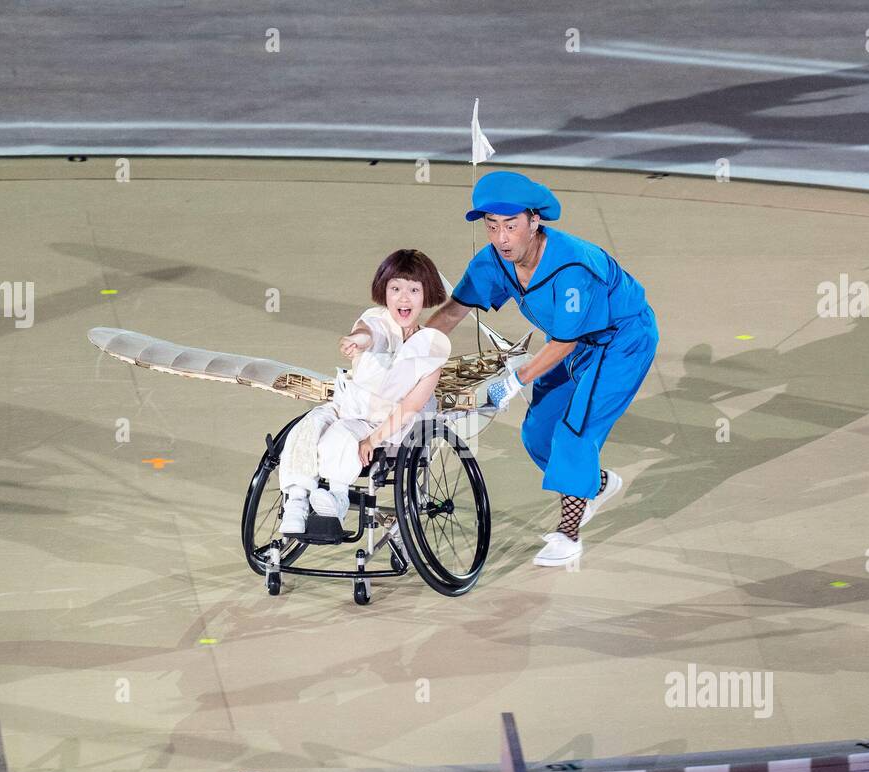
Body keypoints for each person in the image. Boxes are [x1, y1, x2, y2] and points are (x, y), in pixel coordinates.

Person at [424, 170, 659, 567]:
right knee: (537, 434)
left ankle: (569, 535)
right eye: (492, 226)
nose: (501, 238)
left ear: (535, 222)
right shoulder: (492, 262)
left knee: (575, 431)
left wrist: (515, 379)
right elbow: (452, 313)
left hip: (620, 341)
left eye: (511, 226)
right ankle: (594, 484)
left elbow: (565, 341)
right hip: (570, 343)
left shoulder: (572, 268)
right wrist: (407, 352)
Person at [278, 249, 451, 536]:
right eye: (395, 288)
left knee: (340, 436)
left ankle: (337, 496)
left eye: (413, 289)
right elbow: (367, 333)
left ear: (426, 294)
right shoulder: (378, 320)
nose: (403, 298)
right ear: (384, 291)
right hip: (349, 404)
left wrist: (373, 438)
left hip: (389, 422)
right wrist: (355, 342)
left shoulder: (431, 349)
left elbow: (410, 406)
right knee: (305, 429)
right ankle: (296, 501)